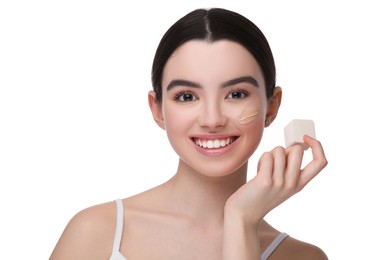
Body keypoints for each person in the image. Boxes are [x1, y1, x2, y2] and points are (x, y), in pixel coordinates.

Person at [50, 7, 328, 260]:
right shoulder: (98, 233)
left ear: (272, 106)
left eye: (235, 94)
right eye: (186, 96)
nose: (212, 120)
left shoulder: (302, 257)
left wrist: (240, 220)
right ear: (157, 109)